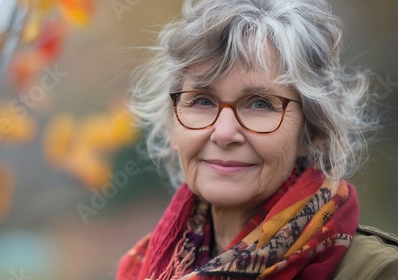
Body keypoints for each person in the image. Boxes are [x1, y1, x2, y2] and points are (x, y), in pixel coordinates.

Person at [117, 0, 398, 279]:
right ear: (172, 126)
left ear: (311, 133)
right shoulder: (144, 268)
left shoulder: (379, 272)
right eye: (202, 100)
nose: (225, 133)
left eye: (260, 104)